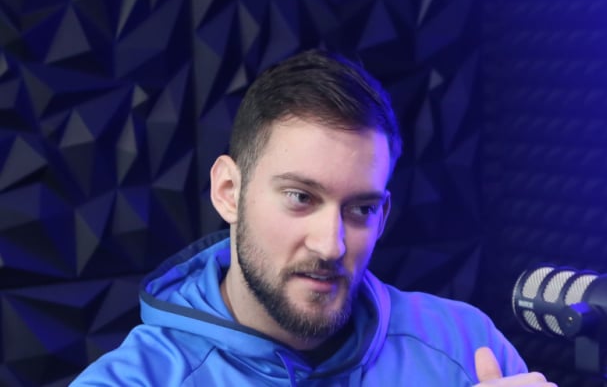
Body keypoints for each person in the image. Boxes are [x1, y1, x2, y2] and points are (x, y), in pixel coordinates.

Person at [72, 49, 555, 386]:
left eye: (360, 209)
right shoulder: (135, 381)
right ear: (228, 193)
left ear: (383, 215)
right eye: (300, 198)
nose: (331, 245)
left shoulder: (466, 346)